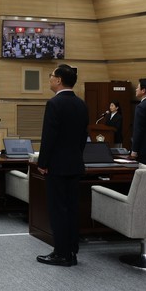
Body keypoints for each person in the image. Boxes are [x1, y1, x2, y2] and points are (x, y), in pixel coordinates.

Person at [36, 64, 89, 267]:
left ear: (58, 80)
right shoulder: (81, 104)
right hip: (75, 164)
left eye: (51, 76)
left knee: (58, 209)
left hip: (57, 166)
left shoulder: (54, 103)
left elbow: (49, 137)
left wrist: (43, 162)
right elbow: (83, 137)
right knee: (72, 209)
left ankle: (61, 253)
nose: (49, 79)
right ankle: (72, 251)